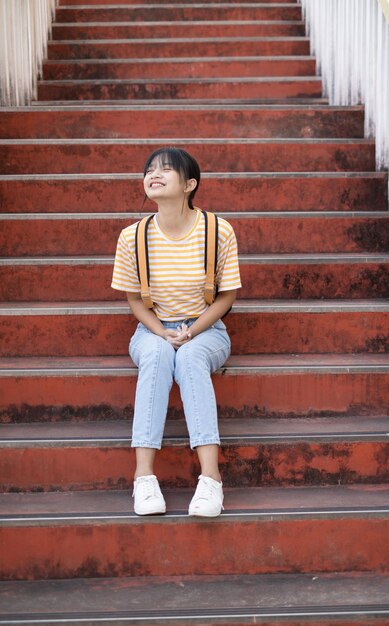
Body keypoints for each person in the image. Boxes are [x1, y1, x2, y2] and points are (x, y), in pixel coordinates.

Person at [111, 147, 242, 517]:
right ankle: (144, 479)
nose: (155, 174)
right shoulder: (132, 237)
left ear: (190, 184)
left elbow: (227, 295)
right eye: (150, 169)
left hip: (207, 328)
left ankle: (211, 480)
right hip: (152, 329)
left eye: (166, 170)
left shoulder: (217, 230)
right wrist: (162, 332)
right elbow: (135, 300)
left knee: (189, 357)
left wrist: (191, 332)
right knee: (156, 354)